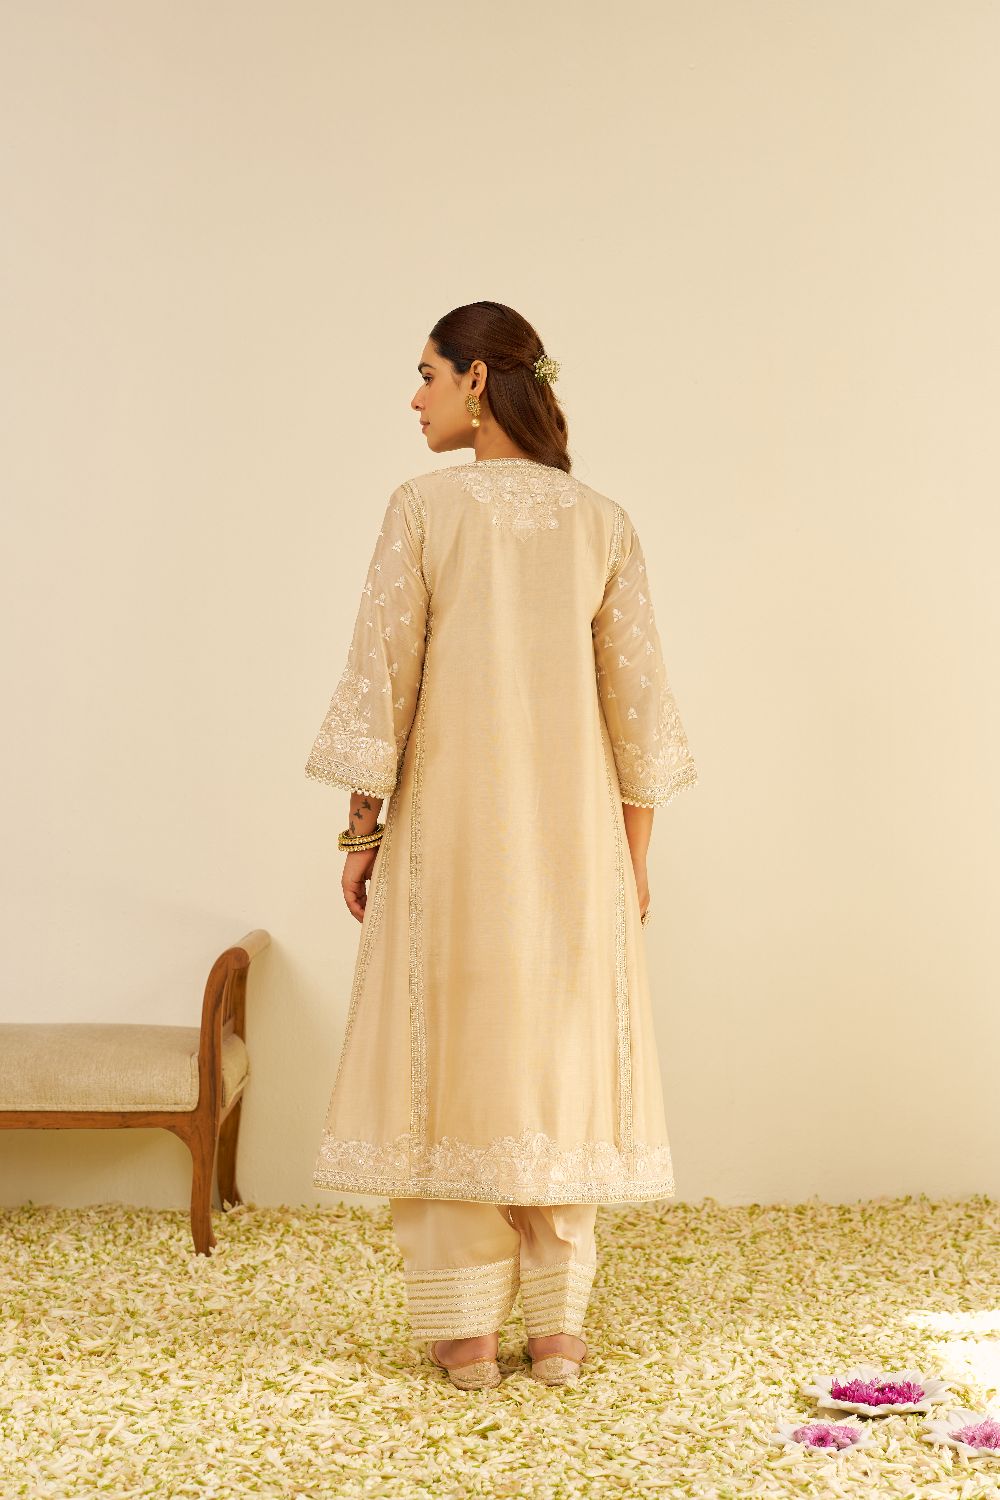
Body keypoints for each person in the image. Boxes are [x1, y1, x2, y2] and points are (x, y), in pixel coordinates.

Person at [304, 300, 699, 1389]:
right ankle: (559, 1329)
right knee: (559, 1061)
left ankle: (467, 1329)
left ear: (478, 379)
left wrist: (360, 831)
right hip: (579, 846)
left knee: (449, 1060)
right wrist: (633, 862)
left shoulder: (423, 509)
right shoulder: (603, 522)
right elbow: (639, 715)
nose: (414, 397)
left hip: (451, 840)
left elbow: (382, 678)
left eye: (428, 373)